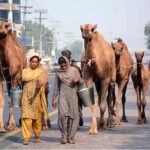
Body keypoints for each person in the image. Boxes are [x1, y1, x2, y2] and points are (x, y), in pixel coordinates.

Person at [52, 56, 81, 144]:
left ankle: (71, 137)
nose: (63, 67)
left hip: (72, 95)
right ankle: (64, 135)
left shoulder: (74, 70)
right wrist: (54, 98)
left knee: (74, 115)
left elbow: (81, 81)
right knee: (62, 115)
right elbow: (56, 86)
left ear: (67, 63)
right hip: (63, 95)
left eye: (65, 65)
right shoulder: (58, 72)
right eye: (62, 66)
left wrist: (78, 80)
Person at [21, 54, 48, 145]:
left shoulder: (41, 72)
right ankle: (26, 138)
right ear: (30, 62)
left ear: (38, 63)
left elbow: (43, 81)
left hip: (37, 98)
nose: (34, 63)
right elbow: (24, 78)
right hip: (26, 98)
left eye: (36, 62)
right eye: (33, 62)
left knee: (37, 119)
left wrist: (40, 83)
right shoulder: (25, 71)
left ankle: (37, 135)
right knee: (26, 118)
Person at [61, 50, 84, 126]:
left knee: (78, 105)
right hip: (65, 91)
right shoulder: (62, 65)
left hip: (75, 89)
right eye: (63, 54)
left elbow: (80, 78)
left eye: (66, 54)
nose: (65, 56)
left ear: (69, 56)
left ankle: (80, 117)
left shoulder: (75, 67)